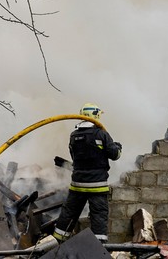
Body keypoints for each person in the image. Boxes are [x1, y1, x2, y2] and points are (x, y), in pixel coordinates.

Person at [53, 103, 122, 244]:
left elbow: (74, 157)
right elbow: (114, 155)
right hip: (97, 185)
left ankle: (56, 242)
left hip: (77, 184)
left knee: (69, 213)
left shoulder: (74, 135)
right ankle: (98, 246)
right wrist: (118, 147)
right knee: (98, 215)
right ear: (95, 115)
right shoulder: (101, 134)